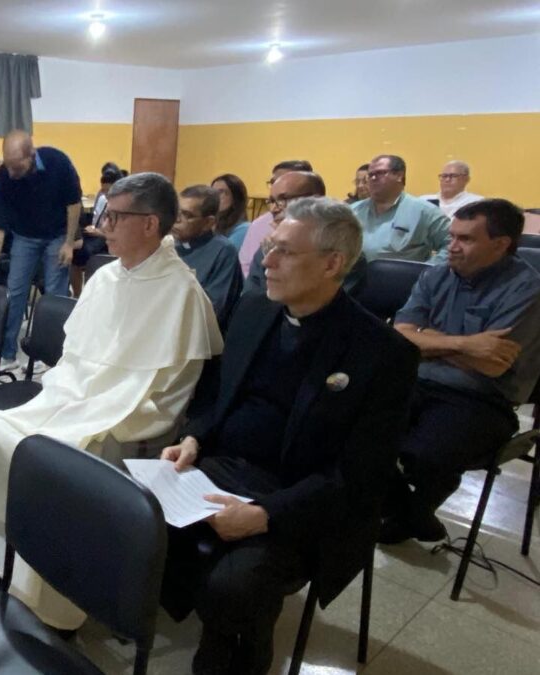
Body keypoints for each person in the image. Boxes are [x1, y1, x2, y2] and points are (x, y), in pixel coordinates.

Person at [159, 197, 419, 675]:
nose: (266, 260)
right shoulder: (255, 310)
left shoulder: (382, 354)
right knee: (128, 510)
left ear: (332, 263)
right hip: (222, 467)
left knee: (234, 587)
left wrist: (265, 516)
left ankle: (238, 655)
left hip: (301, 496)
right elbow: (217, 392)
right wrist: (195, 437)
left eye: (284, 252)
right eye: (269, 247)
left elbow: (361, 473)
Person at [0, 172, 223, 631]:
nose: (102, 225)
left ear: (151, 225)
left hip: (127, 417)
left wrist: (104, 407)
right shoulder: (105, 277)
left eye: (114, 216)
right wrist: (69, 394)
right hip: (74, 396)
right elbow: (76, 357)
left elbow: (170, 392)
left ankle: (48, 605)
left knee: (57, 458)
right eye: (104, 214)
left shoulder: (183, 294)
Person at [383, 199, 540, 543]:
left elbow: (492, 364)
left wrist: (428, 342)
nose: (451, 246)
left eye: (465, 239)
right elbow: (399, 337)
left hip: (482, 398)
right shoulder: (436, 273)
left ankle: (412, 513)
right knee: (351, 425)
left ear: (501, 245)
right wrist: (468, 344)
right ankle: (410, 513)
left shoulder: (528, 289)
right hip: (416, 382)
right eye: (451, 236)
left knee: (424, 453)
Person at [0, 130, 82, 366]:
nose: (10, 173)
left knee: (53, 295)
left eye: (16, 168)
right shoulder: (3, 176)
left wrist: (69, 243)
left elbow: (73, 205)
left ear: (31, 156)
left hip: (57, 235)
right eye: (7, 166)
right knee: (15, 292)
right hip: (24, 237)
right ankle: (7, 353)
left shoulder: (57, 162)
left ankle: (50, 355)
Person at [245, 171, 368, 296]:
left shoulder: (345, 253)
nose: (273, 209)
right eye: (271, 201)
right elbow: (252, 299)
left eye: (283, 199)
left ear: (314, 200)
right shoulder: (267, 248)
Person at [351, 154, 450, 262]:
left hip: (405, 277)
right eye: (370, 175)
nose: (373, 179)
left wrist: (429, 271)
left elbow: (451, 245)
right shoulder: (353, 211)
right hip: (358, 276)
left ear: (399, 175)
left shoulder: (424, 211)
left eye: (380, 173)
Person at [175, 185, 243, 328]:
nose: (177, 220)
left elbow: (214, 310)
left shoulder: (223, 251)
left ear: (208, 223)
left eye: (187, 215)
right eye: (176, 212)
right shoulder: (167, 245)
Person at [237, 160, 312, 276]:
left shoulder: (322, 230)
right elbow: (245, 266)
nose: (274, 209)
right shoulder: (258, 225)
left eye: (284, 198)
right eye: (273, 182)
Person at [70, 166, 122, 297]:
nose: (104, 194)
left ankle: (88, 294)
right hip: (95, 233)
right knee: (75, 249)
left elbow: (120, 234)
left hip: (108, 238)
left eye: (107, 191)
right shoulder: (103, 198)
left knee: (82, 253)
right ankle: (77, 295)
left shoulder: (123, 206)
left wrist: (99, 233)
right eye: (103, 190)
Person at [211, 173, 250, 250]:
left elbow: (221, 254)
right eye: (212, 192)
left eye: (221, 192)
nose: (215, 197)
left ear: (236, 197)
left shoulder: (244, 228)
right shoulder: (212, 224)